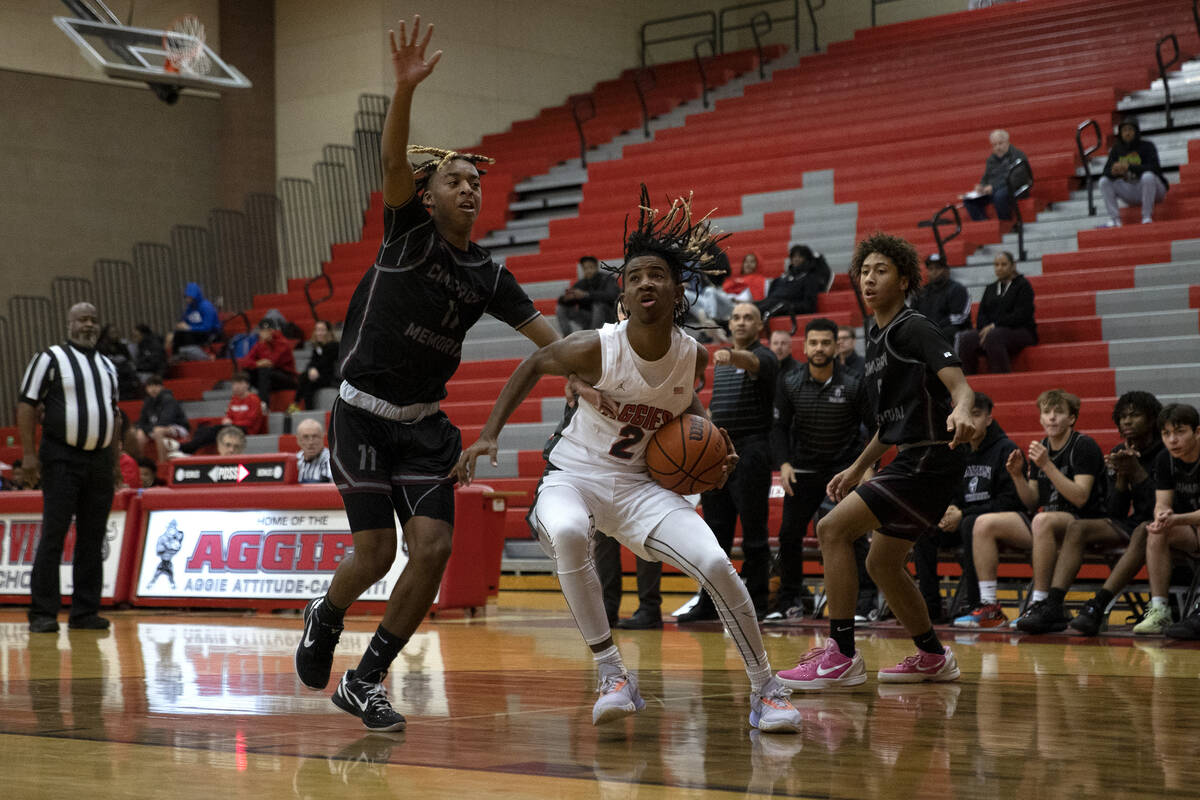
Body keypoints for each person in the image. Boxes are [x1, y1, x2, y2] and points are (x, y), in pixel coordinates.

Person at [293, 17, 564, 734]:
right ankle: (326, 612)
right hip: (360, 413)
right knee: (375, 552)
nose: (469, 189)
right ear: (428, 190)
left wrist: (618, 366)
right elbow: (389, 159)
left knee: (434, 549)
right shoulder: (406, 230)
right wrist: (406, 89)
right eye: (455, 179)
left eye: (476, 181)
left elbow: (549, 345)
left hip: (422, 427)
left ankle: (367, 678)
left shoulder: (489, 274)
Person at [454, 185, 802, 733]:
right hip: (576, 477)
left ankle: (767, 689)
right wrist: (488, 434)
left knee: (715, 564)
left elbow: (684, 405)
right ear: (624, 288)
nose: (645, 281)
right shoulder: (596, 346)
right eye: (635, 274)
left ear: (676, 289)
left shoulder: (692, 355)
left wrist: (712, 441)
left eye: (657, 274)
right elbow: (534, 364)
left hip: (643, 488)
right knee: (568, 532)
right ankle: (613, 674)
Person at [776, 232, 974, 690]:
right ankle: (932, 655)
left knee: (831, 530)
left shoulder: (914, 326)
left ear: (904, 279)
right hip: (910, 456)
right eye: (864, 271)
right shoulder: (877, 338)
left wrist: (963, 406)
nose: (868, 278)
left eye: (880, 270)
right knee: (882, 564)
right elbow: (890, 423)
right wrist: (855, 467)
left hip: (930, 458)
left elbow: (960, 383)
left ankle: (841, 655)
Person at [1018, 391, 1163, 634]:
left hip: (1161, 524)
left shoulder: (1163, 452)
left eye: (1135, 415)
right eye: (1123, 417)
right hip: (1128, 522)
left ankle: (1097, 604)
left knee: (1143, 529)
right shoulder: (1120, 450)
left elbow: (1158, 508)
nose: (1127, 421)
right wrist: (1120, 479)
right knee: (1078, 527)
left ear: (1151, 420)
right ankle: (1053, 604)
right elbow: (1115, 511)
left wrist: (1136, 472)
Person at [18, 302, 120, 633]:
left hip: (101, 460)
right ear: (69, 324)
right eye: (82, 320)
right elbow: (26, 404)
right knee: (54, 533)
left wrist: (115, 459)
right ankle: (43, 612)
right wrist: (30, 455)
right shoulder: (49, 358)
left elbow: (114, 413)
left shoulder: (107, 365)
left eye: (93, 319)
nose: (89, 325)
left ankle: (85, 612)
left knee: (93, 536)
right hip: (62, 458)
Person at [767, 317, 872, 621]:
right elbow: (778, 428)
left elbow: (876, 429)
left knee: (850, 535)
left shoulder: (855, 382)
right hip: (803, 472)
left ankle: (863, 603)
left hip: (843, 473)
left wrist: (865, 467)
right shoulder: (789, 382)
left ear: (836, 344)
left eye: (826, 342)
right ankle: (791, 600)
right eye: (813, 342)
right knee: (788, 535)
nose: (819, 348)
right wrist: (784, 463)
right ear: (805, 345)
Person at [680, 301, 778, 621]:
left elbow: (751, 362)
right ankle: (709, 603)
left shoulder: (764, 357)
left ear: (759, 325)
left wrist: (732, 355)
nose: (741, 322)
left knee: (754, 533)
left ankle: (758, 602)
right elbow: (716, 409)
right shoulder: (721, 364)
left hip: (751, 451)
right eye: (736, 317)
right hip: (718, 453)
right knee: (714, 534)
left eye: (749, 317)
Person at [1003, 390, 1106, 630]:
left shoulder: (1083, 445)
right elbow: (1031, 501)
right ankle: (985, 602)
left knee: (1041, 521)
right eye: (1046, 412)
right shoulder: (1041, 447)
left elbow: (1080, 497)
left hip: (1086, 519)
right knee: (983, 524)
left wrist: (1047, 465)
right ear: (1040, 418)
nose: (1052, 417)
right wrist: (1017, 476)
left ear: (1071, 418)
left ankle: (1040, 602)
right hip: (1051, 520)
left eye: (1058, 412)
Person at [944, 394, 1029, 627]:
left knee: (971, 522)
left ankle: (980, 605)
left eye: (977, 415)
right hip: (968, 522)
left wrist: (964, 513)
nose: (970, 421)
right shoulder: (958, 449)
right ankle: (930, 608)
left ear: (989, 419)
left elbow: (1011, 502)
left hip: (1006, 523)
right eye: (967, 414)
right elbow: (952, 489)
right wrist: (950, 508)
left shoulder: (1006, 449)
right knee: (925, 529)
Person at [1131, 404, 1200, 636]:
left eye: (1180, 432)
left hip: (1192, 522)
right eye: (1166, 433)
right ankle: (1160, 609)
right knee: (1156, 530)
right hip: (1191, 528)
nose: (1172, 440)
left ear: (1197, 432)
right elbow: (1162, 501)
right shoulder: (1164, 459)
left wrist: (1177, 518)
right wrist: (1162, 515)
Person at [957, 251, 1037, 374]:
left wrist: (994, 326)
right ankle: (968, 381)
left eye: (1003, 264)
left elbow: (1021, 315)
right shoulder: (990, 288)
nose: (999, 268)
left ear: (1013, 265)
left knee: (994, 336)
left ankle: (1001, 379)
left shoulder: (1023, 285)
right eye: (996, 265)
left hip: (1022, 331)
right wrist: (985, 328)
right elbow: (981, 315)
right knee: (966, 339)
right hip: (993, 332)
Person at [173, 372, 265, 456]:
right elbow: (229, 415)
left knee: (216, 429)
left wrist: (232, 423)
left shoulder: (254, 399)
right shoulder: (234, 399)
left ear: (247, 385)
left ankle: (188, 447)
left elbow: (250, 422)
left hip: (247, 430)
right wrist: (227, 420)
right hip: (232, 427)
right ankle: (191, 449)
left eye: (240, 383)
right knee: (204, 429)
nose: (236, 387)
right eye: (234, 384)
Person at [1099, 118, 1168, 227]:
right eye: (1124, 130)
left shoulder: (1147, 146)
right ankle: (1115, 220)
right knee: (1104, 181)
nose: (1127, 133)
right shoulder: (1116, 149)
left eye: (1130, 129)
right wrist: (1114, 172)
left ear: (1136, 131)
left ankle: (1146, 217)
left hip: (1154, 191)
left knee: (1148, 176)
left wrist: (1129, 167)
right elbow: (1105, 172)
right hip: (1131, 190)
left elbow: (1155, 169)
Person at [961, 130, 1031, 222]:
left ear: (1007, 142)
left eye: (1000, 143)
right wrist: (981, 186)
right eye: (994, 145)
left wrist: (993, 187)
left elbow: (1015, 179)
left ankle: (1006, 223)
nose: (998, 147)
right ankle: (984, 224)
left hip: (1015, 188)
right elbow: (986, 177)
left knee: (999, 196)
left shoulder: (1018, 156)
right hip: (994, 189)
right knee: (969, 200)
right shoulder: (991, 159)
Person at [912, 253, 971, 348]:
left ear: (947, 270)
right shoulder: (921, 292)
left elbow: (959, 317)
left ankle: (951, 362)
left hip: (951, 330)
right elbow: (913, 315)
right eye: (930, 269)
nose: (934, 272)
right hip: (927, 330)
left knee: (946, 333)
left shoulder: (957, 289)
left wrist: (935, 327)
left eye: (938, 268)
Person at [757, 245, 829, 319]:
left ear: (807, 259)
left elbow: (809, 306)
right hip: (770, 304)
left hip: (785, 307)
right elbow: (769, 298)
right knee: (749, 306)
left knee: (756, 311)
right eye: (794, 257)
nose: (796, 259)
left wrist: (787, 307)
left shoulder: (809, 279)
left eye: (800, 257)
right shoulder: (780, 279)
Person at [237, 318, 298, 405]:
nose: (265, 333)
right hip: (269, 378)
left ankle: (263, 404)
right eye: (263, 331)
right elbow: (244, 362)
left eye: (268, 330)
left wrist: (263, 344)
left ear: (273, 331)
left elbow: (271, 361)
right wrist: (256, 363)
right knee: (246, 372)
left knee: (264, 370)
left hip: (287, 377)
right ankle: (243, 402)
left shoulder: (282, 343)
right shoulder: (259, 344)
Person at [556, 256, 619, 334]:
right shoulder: (581, 283)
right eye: (585, 268)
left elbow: (612, 296)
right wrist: (566, 299)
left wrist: (587, 294)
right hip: (589, 317)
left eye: (590, 267)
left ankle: (592, 336)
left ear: (596, 267)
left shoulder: (608, 279)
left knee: (598, 305)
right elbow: (563, 300)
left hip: (608, 317)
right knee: (561, 308)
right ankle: (567, 338)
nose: (588, 271)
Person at [134, 375, 190, 462]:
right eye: (150, 386)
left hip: (178, 427)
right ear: (146, 389)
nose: (153, 389)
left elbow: (166, 420)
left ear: (162, 387)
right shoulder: (147, 402)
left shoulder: (168, 399)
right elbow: (142, 422)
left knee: (158, 431)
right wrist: (144, 430)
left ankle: (162, 462)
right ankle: (140, 462)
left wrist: (149, 429)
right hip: (155, 428)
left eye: (156, 386)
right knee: (139, 433)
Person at [295, 320, 340, 411]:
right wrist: (312, 369)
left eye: (322, 330)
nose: (319, 333)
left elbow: (325, 363)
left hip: (331, 378)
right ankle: (305, 409)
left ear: (328, 332)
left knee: (305, 377)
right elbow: (312, 362)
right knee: (307, 382)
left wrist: (313, 369)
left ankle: (296, 403)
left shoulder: (334, 346)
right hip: (319, 376)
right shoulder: (317, 347)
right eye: (317, 330)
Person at [173, 282, 221, 356]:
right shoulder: (190, 308)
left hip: (210, 333)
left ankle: (198, 356)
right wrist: (181, 325)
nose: (187, 299)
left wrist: (190, 328)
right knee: (178, 334)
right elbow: (185, 320)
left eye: (190, 297)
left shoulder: (206, 307)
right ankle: (176, 356)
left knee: (187, 336)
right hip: (195, 332)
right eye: (186, 297)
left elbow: (207, 327)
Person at [295, 418, 333, 484]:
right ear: (298, 440)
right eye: (305, 437)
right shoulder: (295, 460)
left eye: (315, 436)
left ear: (322, 438)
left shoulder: (332, 460)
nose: (311, 442)